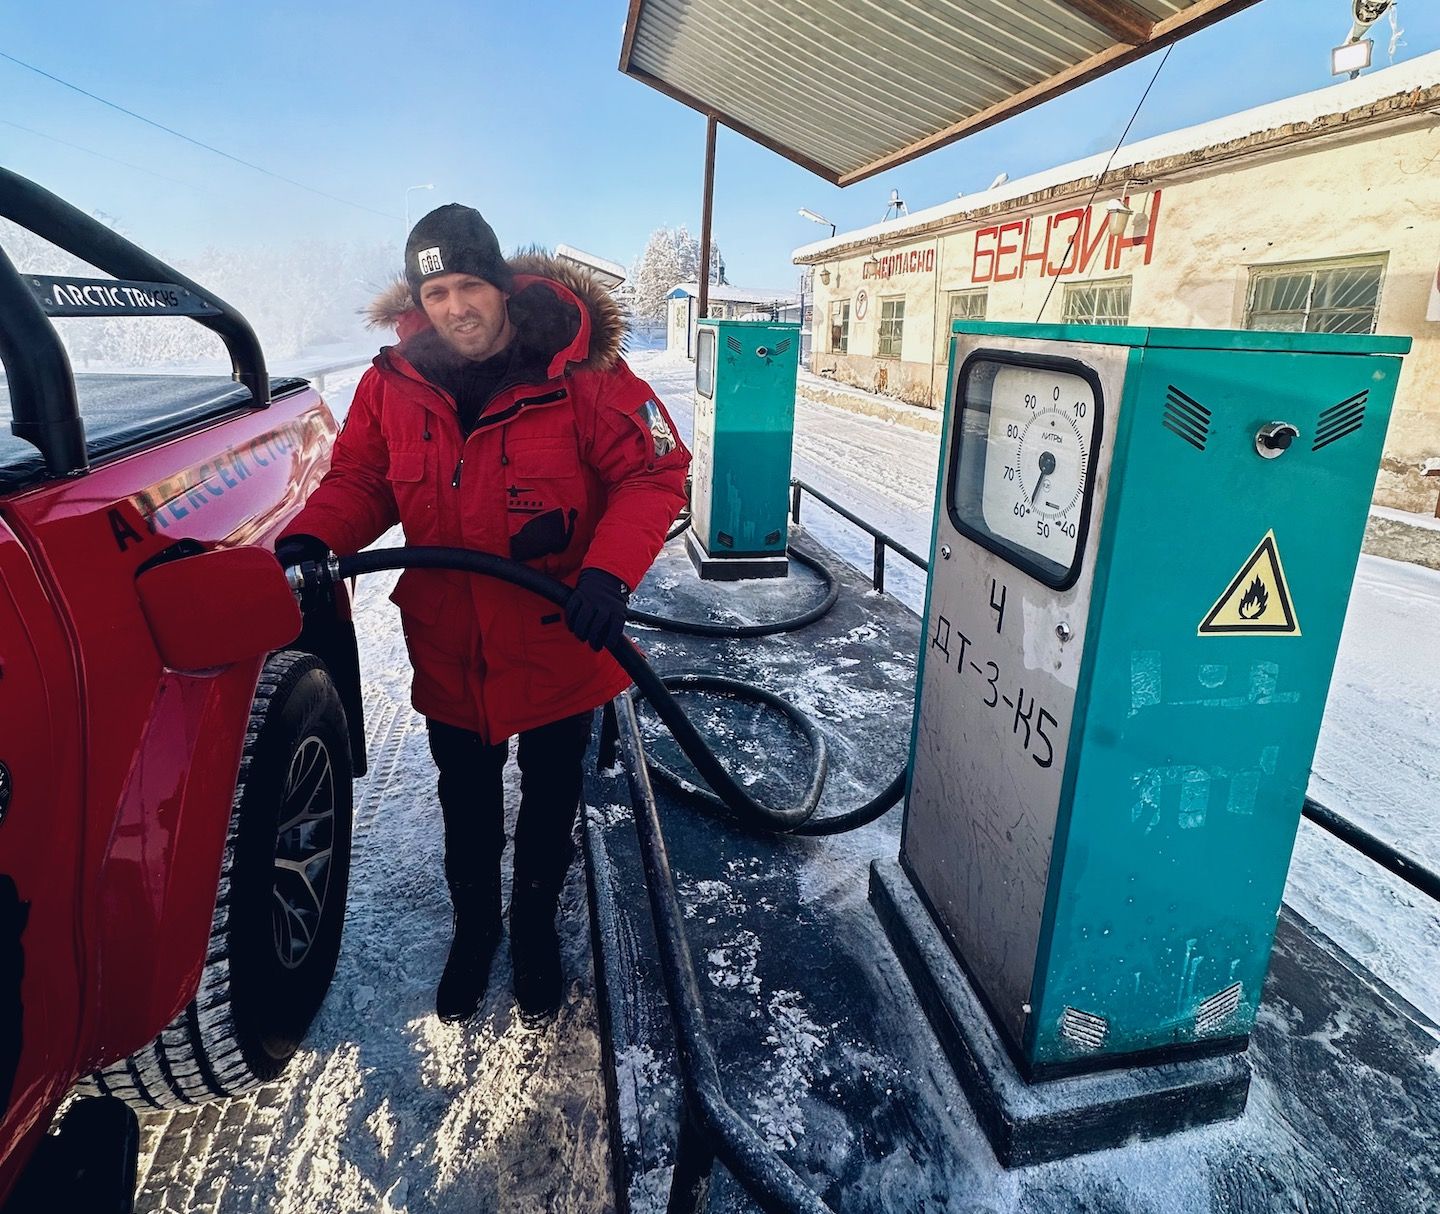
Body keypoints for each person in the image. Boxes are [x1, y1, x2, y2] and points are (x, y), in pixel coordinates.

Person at [276, 204, 689, 1025]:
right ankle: (476, 930)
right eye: (436, 292)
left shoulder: (584, 376)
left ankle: (533, 925)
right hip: (452, 645)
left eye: (470, 284)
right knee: (465, 799)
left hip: (560, 636)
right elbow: (362, 480)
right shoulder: (389, 387)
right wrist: (311, 537)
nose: (455, 306)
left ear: (501, 285)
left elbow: (655, 473)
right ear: (418, 301)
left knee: (548, 794)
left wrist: (608, 577)